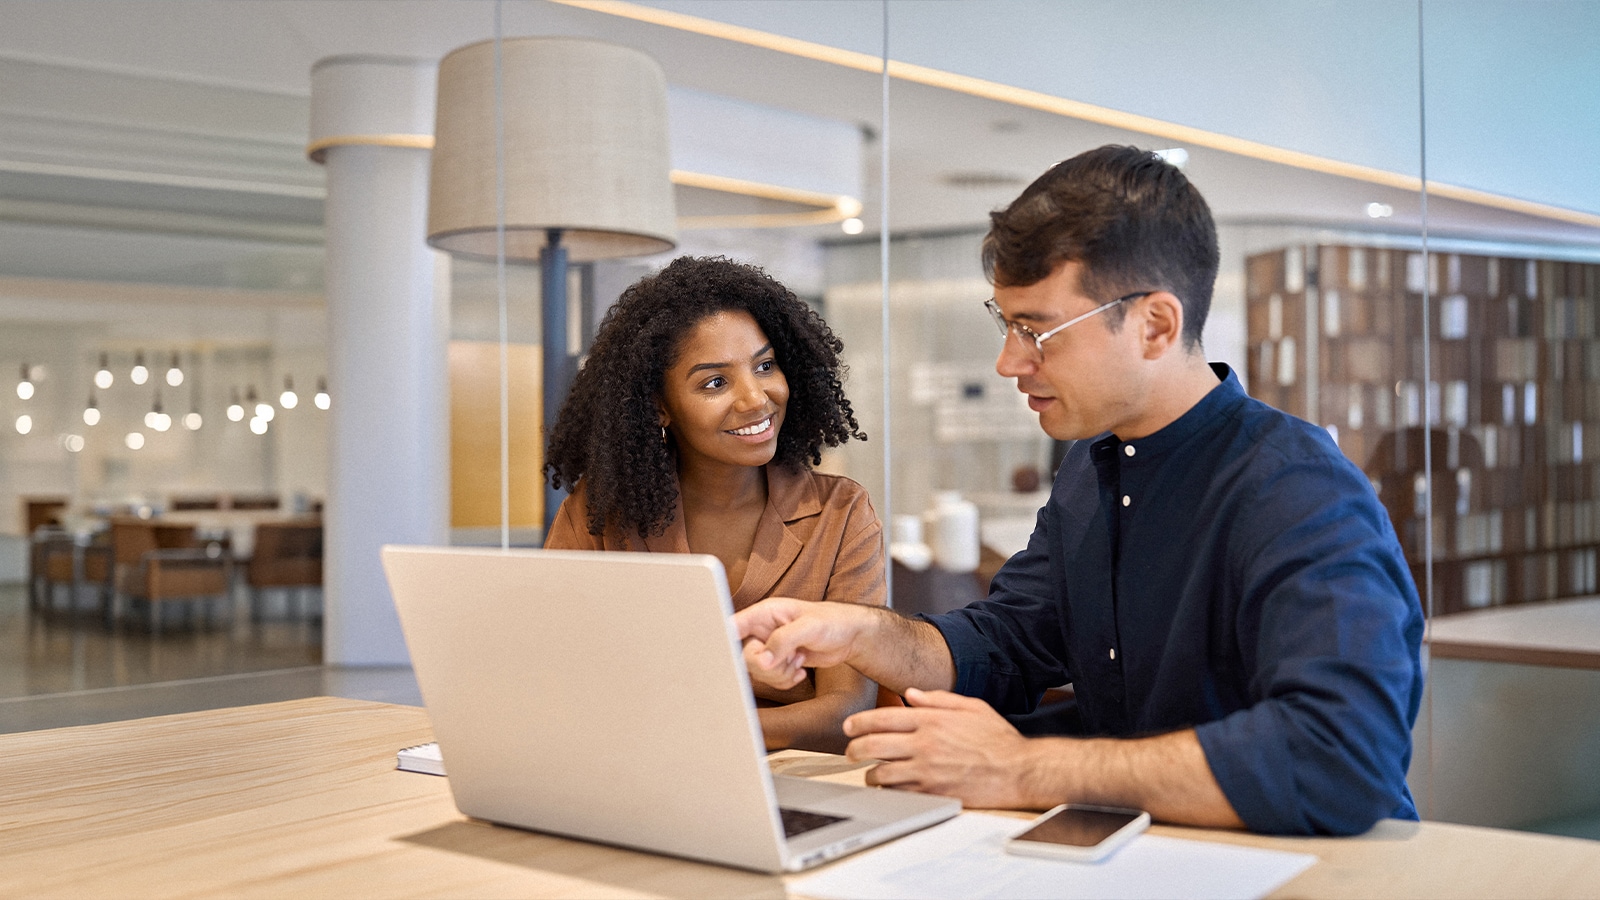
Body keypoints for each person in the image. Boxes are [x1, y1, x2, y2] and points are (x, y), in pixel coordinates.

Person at [736, 146, 1425, 836]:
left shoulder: (1296, 488)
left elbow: (1340, 755)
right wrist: (858, 632)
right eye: (1006, 325)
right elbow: (1005, 644)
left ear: (1156, 325)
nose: (1009, 362)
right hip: (1138, 855)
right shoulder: (1091, 471)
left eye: (1037, 331)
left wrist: (1022, 769)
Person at [544, 255, 881, 754]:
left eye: (765, 366)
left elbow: (844, 714)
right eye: (714, 382)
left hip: (788, 777)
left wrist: (694, 730)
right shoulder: (599, 515)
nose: (755, 399)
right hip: (634, 766)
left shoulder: (841, 515)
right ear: (659, 405)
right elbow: (557, 676)